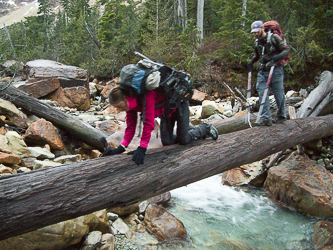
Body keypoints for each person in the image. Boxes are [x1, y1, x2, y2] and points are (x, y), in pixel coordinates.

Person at [102, 86, 219, 165]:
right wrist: (120, 148)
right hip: (166, 112)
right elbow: (130, 127)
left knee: (183, 140)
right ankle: (188, 129)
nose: (119, 109)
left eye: (119, 106)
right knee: (167, 142)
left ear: (125, 98)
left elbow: (148, 124)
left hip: (179, 106)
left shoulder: (146, 95)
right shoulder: (130, 106)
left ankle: (204, 128)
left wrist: (142, 148)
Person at [247, 20, 290, 126]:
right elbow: (258, 56)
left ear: (262, 28)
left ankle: (281, 116)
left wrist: (277, 57)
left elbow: (285, 51)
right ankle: (266, 118)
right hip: (263, 70)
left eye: (257, 31)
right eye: (254, 32)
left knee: (279, 94)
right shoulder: (257, 42)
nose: (256, 34)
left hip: (275, 70)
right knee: (262, 92)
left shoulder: (273, 38)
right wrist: (252, 62)